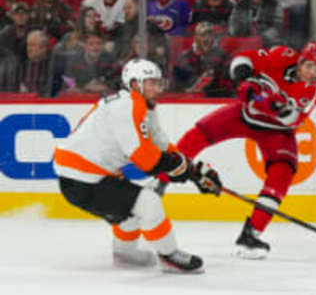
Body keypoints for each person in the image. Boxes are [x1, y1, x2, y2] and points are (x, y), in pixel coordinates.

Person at [53, 58, 222, 273]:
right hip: (82, 179)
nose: (157, 88)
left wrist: (195, 171)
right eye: (151, 82)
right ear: (134, 84)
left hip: (87, 177)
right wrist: (181, 169)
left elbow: (162, 146)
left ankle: (125, 254)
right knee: (148, 202)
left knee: (129, 211)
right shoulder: (127, 106)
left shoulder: (141, 107)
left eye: (158, 82)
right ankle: (169, 256)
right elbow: (145, 158)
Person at [176, 42, 316, 259]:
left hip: (276, 132)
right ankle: (163, 174)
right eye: (311, 67)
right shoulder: (282, 55)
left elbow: (291, 119)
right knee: (199, 133)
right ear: (301, 61)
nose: (314, 74)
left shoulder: (312, 90)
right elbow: (243, 59)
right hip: (243, 115)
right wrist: (243, 79)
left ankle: (251, 234)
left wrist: (266, 102)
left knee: (283, 172)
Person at [173, 21, 233, 96]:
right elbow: (178, 85)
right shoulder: (185, 57)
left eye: (210, 35)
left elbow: (228, 84)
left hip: (214, 98)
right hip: (188, 99)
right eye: (203, 35)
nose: (208, 39)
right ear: (195, 38)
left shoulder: (222, 55)